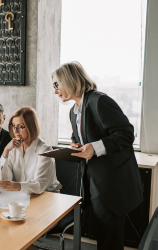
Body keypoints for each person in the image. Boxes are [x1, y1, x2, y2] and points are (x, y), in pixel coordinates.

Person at [52, 61, 143, 250]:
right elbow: (80, 136)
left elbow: (126, 134)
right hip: (92, 182)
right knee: (103, 235)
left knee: (110, 239)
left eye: (56, 84)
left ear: (68, 80)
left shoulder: (99, 101)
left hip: (111, 183)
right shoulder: (73, 111)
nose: (55, 91)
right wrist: (75, 145)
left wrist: (95, 147)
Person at [0, 107, 61, 194]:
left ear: (31, 127)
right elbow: (4, 179)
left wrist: (13, 185)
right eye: (13, 126)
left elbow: (39, 185)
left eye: (20, 127)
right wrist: (6, 151)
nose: (15, 131)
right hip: (22, 195)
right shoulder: (13, 147)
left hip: (46, 196)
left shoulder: (45, 150)